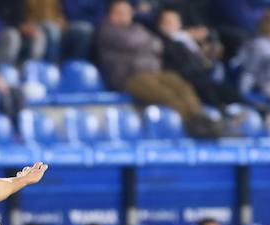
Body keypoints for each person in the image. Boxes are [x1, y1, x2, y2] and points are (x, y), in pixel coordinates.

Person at [95, 0, 221, 139]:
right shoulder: (106, 30)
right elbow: (133, 42)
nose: (123, 16)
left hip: (153, 73)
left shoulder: (138, 28)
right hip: (129, 78)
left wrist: (143, 43)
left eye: (126, 12)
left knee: (181, 85)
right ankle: (194, 125)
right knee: (167, 95)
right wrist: (146, 44)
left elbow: (158, 43)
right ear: (109, 15)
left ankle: (200, 118)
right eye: (118, 13)